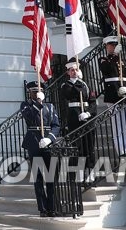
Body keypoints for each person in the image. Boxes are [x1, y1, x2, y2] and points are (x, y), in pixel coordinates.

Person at [20, 81, 58, 218]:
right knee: (38, 178)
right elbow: (29, 117)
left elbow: (56, 125)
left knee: (50, 177)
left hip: (47, 143)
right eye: (34, 91)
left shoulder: (50, 106)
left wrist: (50, 138)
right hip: (34, 143)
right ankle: (42, 208)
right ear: (29, 93)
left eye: (39, 91)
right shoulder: (26, 105)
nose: (37, 93)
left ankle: (52, 207)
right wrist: (38, 103)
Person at [58, 59, 96, 181]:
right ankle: (79, 173)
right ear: (68, 72)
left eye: (76, 69)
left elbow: (92, 101)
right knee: (77, 146)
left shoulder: (85, 84)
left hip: (86, 117)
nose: (74, 72)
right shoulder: (66, 85)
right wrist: (77, 83)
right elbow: (68, 94)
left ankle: (90, 170)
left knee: (89, 144)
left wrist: (88, 112)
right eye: (72, 70)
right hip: (74, 117)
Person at [98, 36, 126, 156]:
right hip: (112, 94)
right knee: (117, 124)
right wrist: (114, 56)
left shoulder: (124, 61)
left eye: (114, 45)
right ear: (106, 47)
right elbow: (106, 70)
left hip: (125, 94)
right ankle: (121, 150)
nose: (112, 47)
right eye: (110, 45)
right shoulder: (103, 60)